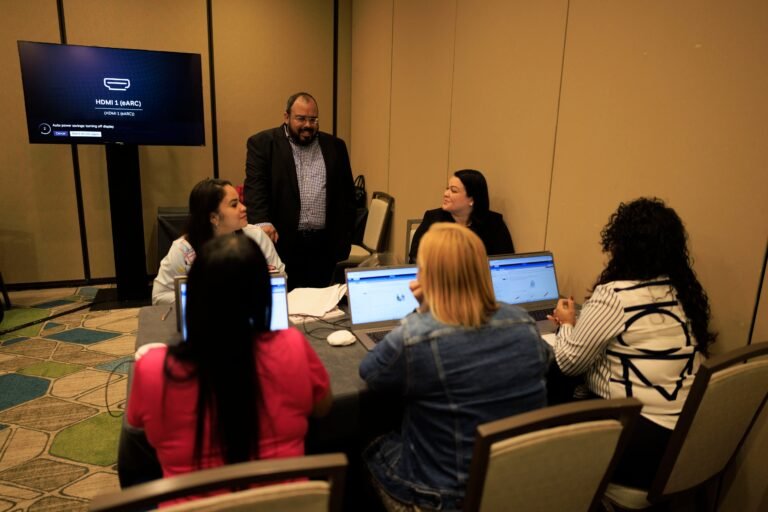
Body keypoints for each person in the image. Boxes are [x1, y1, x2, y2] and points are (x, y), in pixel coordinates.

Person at [360, 223, 551, 511]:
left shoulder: (417, 335)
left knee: (370, 445)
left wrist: (421, 310)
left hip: (443, 496)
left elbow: (371, 373)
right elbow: (544, 358)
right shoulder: (522, 321)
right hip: (514, 482)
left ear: (427, 276)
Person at [127, 234, 332, 502]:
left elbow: (138, 431)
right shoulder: (292, 345)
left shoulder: (153, 368)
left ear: (196, 296)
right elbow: (323, 407)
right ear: (264, 295)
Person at [548, 197, 716, 488]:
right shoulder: (681, 292)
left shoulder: (616, 295)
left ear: (620, 245)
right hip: (687, 440)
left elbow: (569, 363)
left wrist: (566, 324)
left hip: (639, 444)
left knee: (554, 379)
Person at [244, 92, 356, 288]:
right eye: (301, 118)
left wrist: (345, 236)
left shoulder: (336, 146)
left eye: (313, 119)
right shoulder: (263, 144)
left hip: (325, 246)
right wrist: (262, 224)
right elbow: (255, 188)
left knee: (323, 305)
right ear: (286, 117)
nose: (307, 125)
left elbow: (347, 195)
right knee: (287, 303)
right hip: (282, 244)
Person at [152, 178, 284, 304]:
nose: (243, 207)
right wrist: (206, 297)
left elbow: (281, 277)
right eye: (234, 204)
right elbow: (159, 297)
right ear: (213, 217)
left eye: (240, 201)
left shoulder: (256, 237)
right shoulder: (183, 249)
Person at [408, 169, 514, 263]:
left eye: (453, 190)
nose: (446, 193)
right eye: (447, 188)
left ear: (472, 199)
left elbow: (506, 263)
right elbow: (415, 258)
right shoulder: (433, 219)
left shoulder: (494, 223)